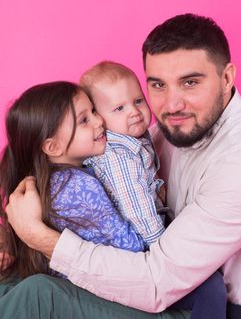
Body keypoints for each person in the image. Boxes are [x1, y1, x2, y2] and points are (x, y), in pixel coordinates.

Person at [3, 13, 241, 318]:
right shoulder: (159, 133)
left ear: (226, 78)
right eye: (157, 85)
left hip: (200, 301)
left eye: (190, 82)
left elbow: (157, 281)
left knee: (37, 294)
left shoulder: (236, 163)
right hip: (158, 279)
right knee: (9, 283)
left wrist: (37, 235)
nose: (172, 104)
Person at [0, 81, 146, 279]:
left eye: (93, 111)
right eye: (84, 120)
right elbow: (133, 248)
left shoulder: (54, 183)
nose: (99, 121)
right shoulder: (76, 186)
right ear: (53, 147)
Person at [80, 61, 166, 245]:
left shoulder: (136, 138)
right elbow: (137, 208)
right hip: (143, 240)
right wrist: (161, 245)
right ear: (98, 118)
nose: (135, 112)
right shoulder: (119, 156)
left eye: (138, 101)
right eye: (119, 108)